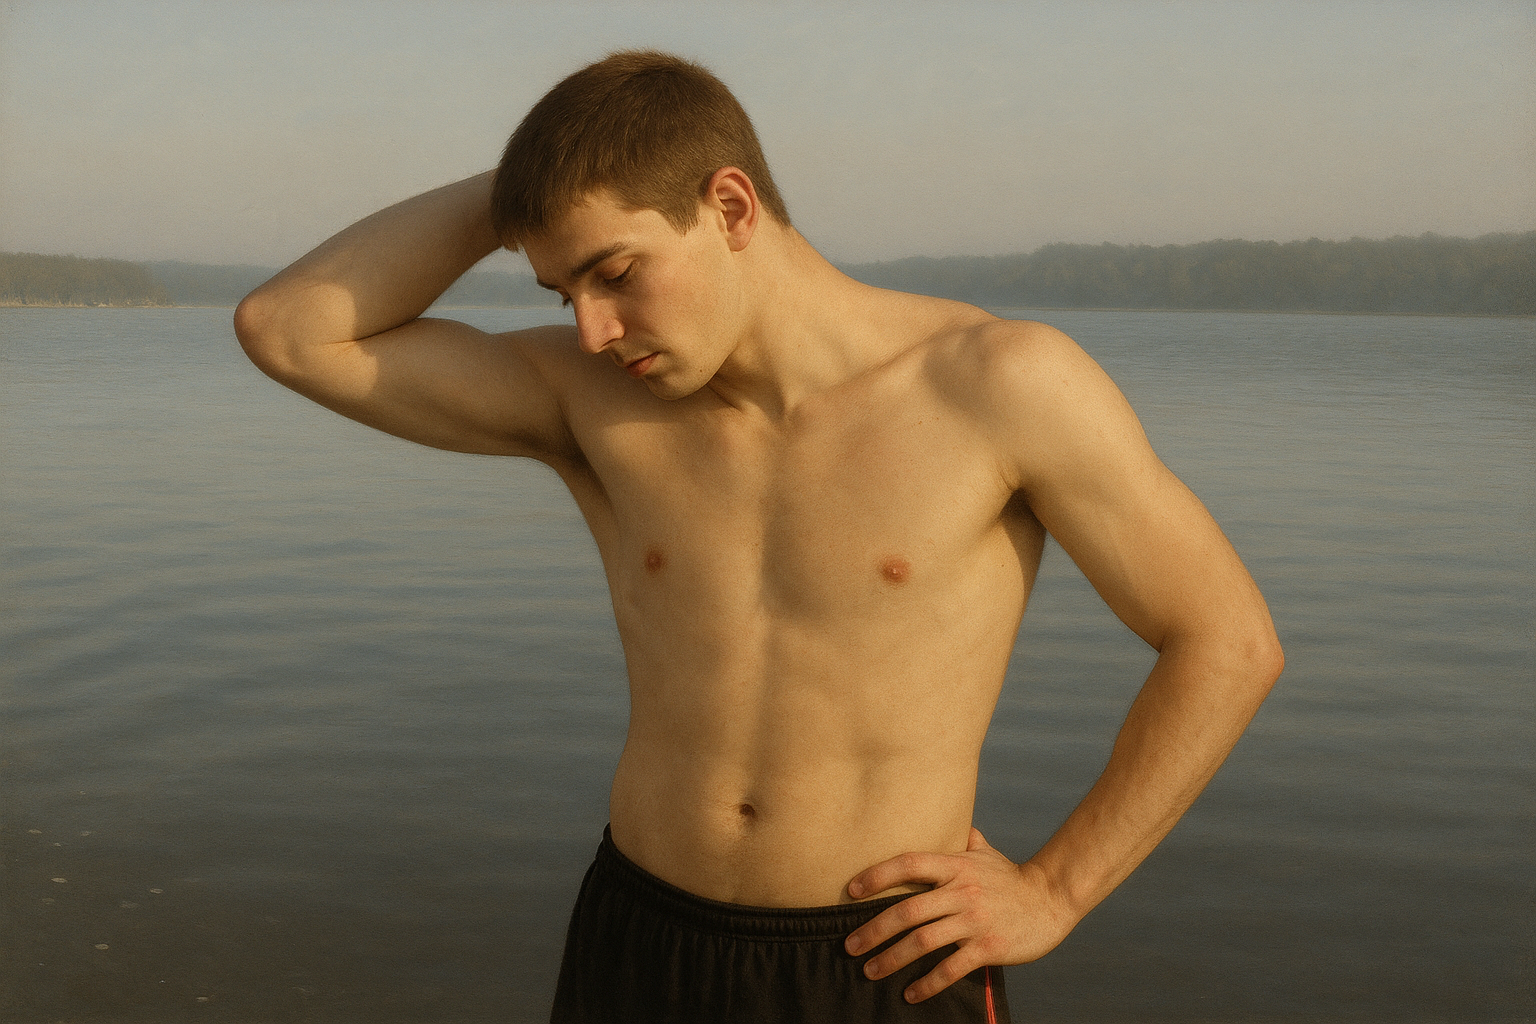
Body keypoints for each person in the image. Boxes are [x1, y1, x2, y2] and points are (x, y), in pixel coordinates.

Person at [234, 50, 1282, 1024]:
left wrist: (1055, 890)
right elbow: (287, 331)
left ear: (729, 206)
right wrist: (529, 180)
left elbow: (1226, 642)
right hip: (639, 938)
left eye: (616, 271)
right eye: (565, 291)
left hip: (880, 959)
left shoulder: (998, 385)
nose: (592, 328)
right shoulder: (589, 402)